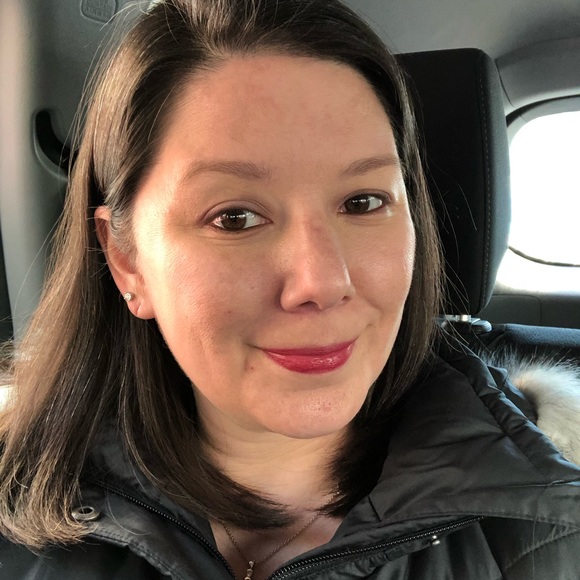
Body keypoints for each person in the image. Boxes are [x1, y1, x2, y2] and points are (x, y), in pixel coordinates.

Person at [0, 0, 579, 578]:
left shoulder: (555, 529)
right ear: (127, 260)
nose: (322, 283)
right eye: (234, 218)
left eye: (363, 202)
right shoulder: (18, 503)